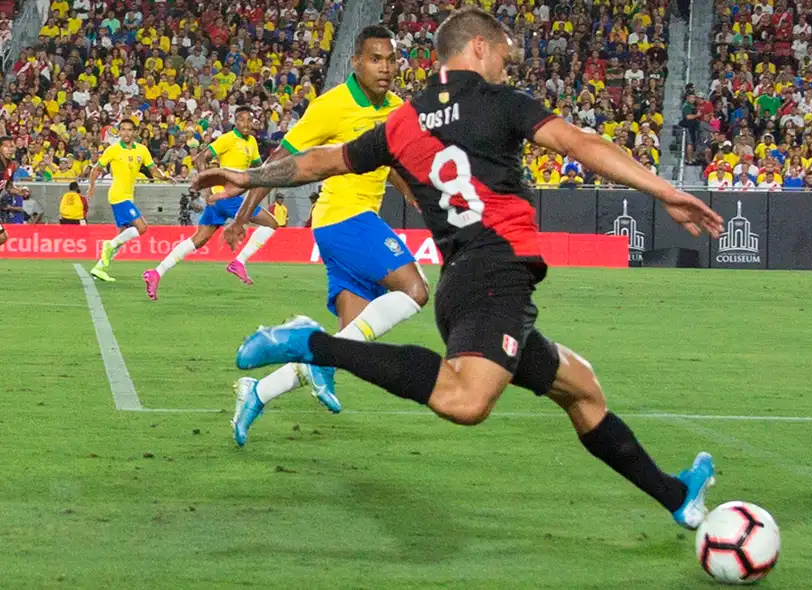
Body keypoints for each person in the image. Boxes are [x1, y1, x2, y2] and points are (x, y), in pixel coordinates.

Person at [195, 8, 723, 530]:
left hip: (463, 285)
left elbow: (319, 161)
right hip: (496, 275)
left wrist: (246, 176)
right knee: (466, 401)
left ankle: (675, 494)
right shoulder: (500, 102)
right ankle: (312, 344)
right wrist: (667, 192)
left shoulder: (401, 121)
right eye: (503, 58)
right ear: (477, 48)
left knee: (580, 388)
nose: (505, 69)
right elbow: (581, 145)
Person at [220, 26, 431, 446]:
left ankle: (256, 393)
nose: (385, 67)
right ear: (355, 62)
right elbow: (282, 159)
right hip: (343, 218)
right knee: (416, 290)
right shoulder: (331, 106)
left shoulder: (395, 109)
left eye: (391, 59)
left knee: (346, 348)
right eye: (376, 59)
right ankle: (302, 333)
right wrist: (243, 215)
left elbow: (391, 165)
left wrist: (419, 198)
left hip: (350, 224)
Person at [143, 106, 278, 300]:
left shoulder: (252, 143)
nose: (246, 123)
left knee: (197, 240)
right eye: (241, 119)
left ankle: (156, 272)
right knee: (271, 223)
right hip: (227, 197)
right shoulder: (228, 139)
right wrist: (206, 189)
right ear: (235, 121)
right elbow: (200, 159)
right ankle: (239, 261)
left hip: (222, 200)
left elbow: (259, 168)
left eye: (249, 120)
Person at [88, 120, 175, 283]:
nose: (126, 133)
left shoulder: (142, 150)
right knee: (142, 228)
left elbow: (152, 169)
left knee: (122, 236)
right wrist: (91, 187)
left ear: (134, 132)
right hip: (118, 195)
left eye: (129, 130)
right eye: (123, 130)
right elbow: (96, 169)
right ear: (119, 132)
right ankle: (108, 245)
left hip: (128, 196)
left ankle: (100, 268)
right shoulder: (112, 150)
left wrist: (164, 177)